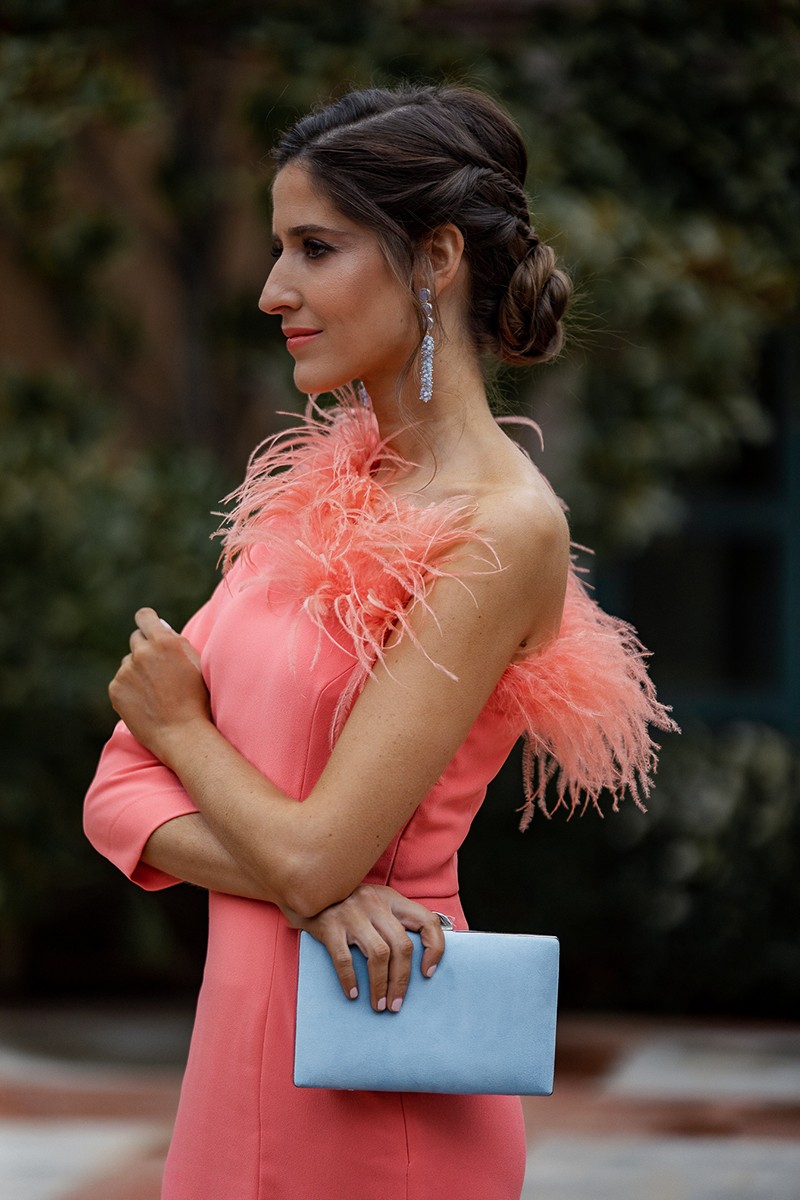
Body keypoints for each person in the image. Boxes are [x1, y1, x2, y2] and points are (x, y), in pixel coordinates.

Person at [84, 84, 674, 1200]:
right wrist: (310, 886)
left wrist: (181, 732)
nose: (272, 292)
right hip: (234, 1063)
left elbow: (283, 832)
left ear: (433, 257)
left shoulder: (502, 528)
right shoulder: (317, 494)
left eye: (314, 247)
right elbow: (116, 794)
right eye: (277, 249)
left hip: (381, 1069)